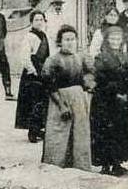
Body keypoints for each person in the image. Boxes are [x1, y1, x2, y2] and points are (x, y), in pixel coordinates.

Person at [39, 25, 94, 172]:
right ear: (60, 42)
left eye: (73, 39)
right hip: (59, 100)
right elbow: (48, 84)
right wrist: (62, 105)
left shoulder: (80, 58)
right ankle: (54, 167)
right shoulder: (53, 60)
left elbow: (89, 74)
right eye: (67, 39)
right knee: (58, 135)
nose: (70, 42)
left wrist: (88, 87)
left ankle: (79, 167)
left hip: (79, 100)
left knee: (79, 133)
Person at [91, 25, 128, 176]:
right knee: (107, 131)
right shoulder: (101, 57)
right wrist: (115, 92)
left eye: (118, 38)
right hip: (106, 101)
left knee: (122, 130)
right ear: (107, 40)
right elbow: (100, 79)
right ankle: (106, 164)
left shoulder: (127, 56)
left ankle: (117, 163)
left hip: (124, 100)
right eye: (112, 38)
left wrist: (127, 92)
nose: (115, 41)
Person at [15, 11, 52, 143]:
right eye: (36, 20)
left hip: (44, 72)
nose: (39, 22)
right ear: (32, 22)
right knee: (32, 102)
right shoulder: (29, 37)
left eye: (41, 19)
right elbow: (24, 57)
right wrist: (33, 70)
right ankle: (32, 131)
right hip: (33, 74)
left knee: (42, 101)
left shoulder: (44, 36)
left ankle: (39, 128)